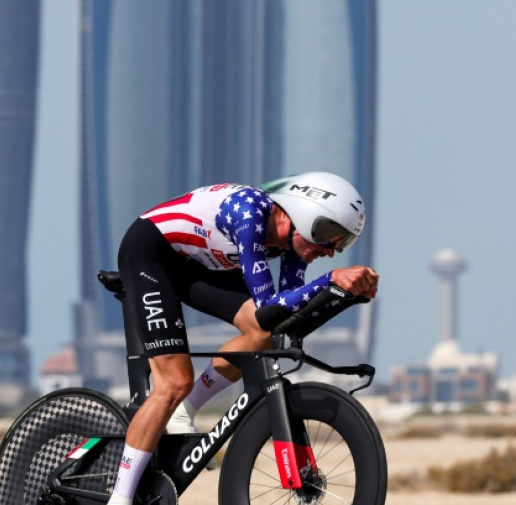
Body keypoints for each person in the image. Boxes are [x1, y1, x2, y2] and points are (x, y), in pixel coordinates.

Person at [107, 171, 378, 505]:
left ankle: (184, 411)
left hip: (195, 265)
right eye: (330, 235)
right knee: (172, 383)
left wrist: (347, 294)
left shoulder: (293, 244)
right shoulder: (249, 213)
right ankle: (118, 499)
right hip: (151, 254)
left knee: (265, 335)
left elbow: (283, 321)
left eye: (343, 243)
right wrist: (330, 280)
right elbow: (267, 306)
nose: (332, 250)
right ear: (305, 214)